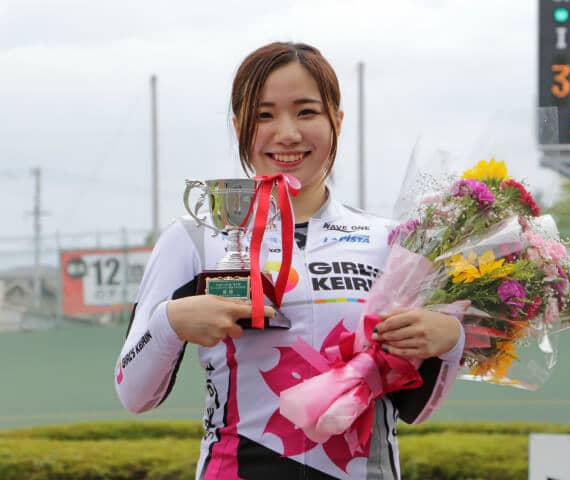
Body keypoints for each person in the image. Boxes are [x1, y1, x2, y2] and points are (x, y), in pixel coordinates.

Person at [115, 41, 464, 480]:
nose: (287, 134)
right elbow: (134, 395)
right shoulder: (194, 240)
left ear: (337, 121)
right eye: (264, 115)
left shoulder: (392, 242)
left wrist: (451, 341)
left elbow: (418, 409)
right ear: (239, 126)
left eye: (306, 112)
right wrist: (169, 322)